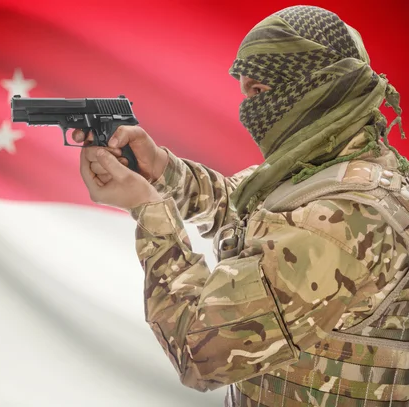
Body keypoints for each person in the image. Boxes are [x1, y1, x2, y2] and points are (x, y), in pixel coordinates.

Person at [73, 5, 409, 407]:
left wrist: (149, 209)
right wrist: (161, 168)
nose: (249, 109)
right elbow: (243, 210)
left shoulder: (343, 219)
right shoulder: (329, 170)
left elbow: (201, 355)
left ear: (318, 84)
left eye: (260, 92)